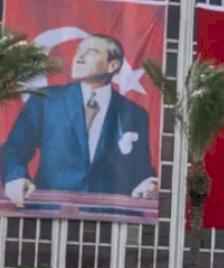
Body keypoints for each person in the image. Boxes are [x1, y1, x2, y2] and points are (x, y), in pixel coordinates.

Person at [3, 34, 157, 207]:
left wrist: (149, 183)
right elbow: (14, 150)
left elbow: (141, 169)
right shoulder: (45, 100)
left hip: (107, 220)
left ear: (112, 65)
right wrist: (15, 177)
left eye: (90, 52)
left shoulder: (135, 113)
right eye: (78, 51)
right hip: (48, 213)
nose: (79, 57)